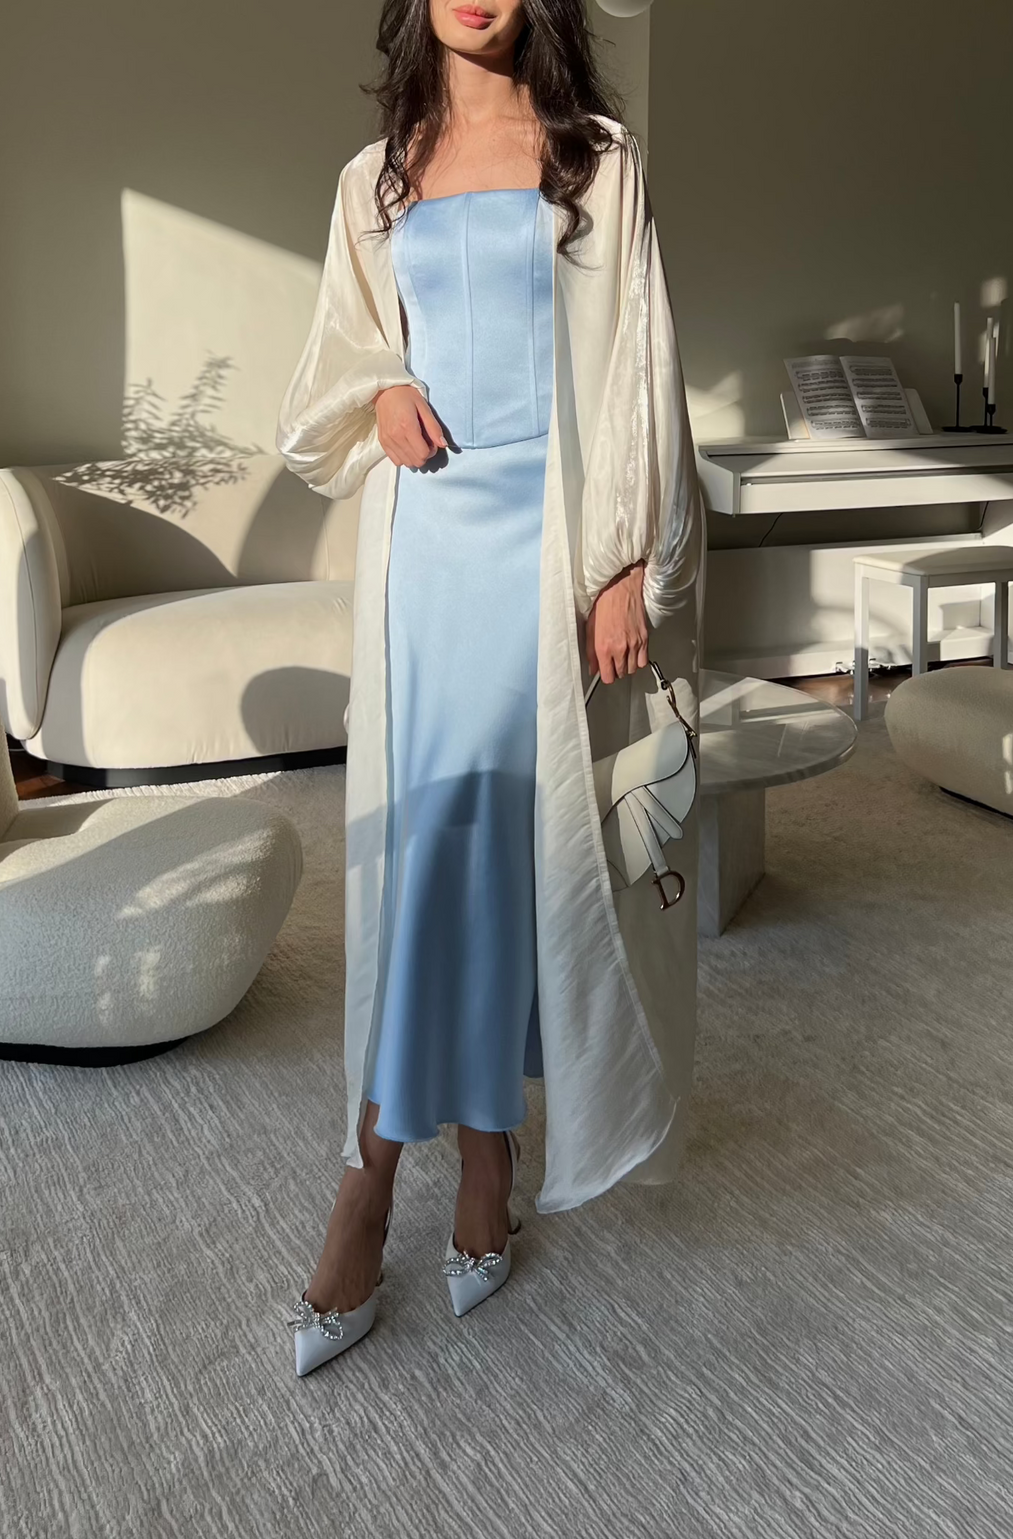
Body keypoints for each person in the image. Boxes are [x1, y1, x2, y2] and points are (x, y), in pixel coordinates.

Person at [277, 0, 703, 1376]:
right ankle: (374, 1170)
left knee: (525, 850)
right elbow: (329, 381)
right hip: (433, 554)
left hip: (554, 554)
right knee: (434, 854)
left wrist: (632, 560)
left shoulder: (597, 160)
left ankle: (489, 1154)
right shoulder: (376, 176)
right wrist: (381, 395)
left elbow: (645, 366)